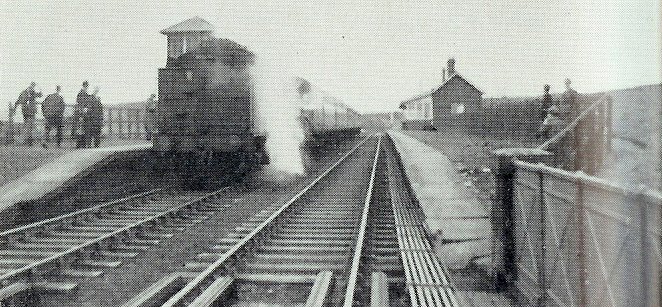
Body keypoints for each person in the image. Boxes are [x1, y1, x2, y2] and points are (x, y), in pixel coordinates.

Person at [75, 81, 91, 148]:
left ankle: (81, 144)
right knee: (81, 128)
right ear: (84, 86)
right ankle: (80, 144)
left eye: (86, 86)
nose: (86, 87)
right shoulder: (82, 93)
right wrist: (82, 112)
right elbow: (80, 103)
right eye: (86, 86)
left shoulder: (82, 93)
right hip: (82, 113)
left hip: (83, 112)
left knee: (82, 128)